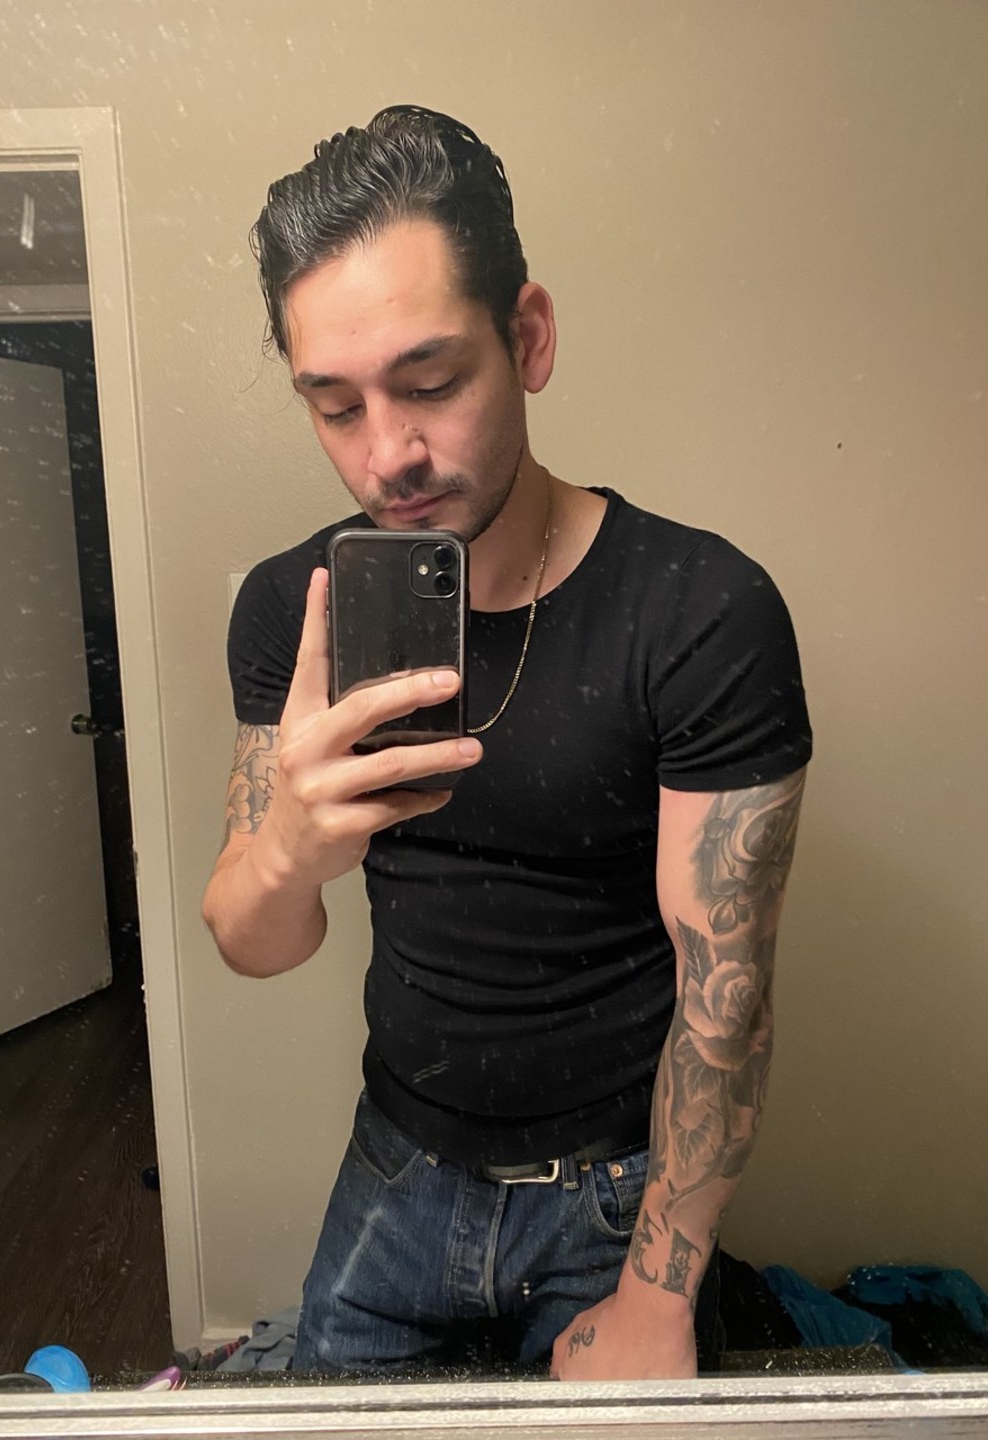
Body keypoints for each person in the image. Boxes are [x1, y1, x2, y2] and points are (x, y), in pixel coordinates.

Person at [202, 105, 812, 1382]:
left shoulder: (701, 613)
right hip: (395, 1167)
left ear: (527, 337)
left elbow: (727, 999)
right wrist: (290, 846)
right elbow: (257, 942)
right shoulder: (293, 614)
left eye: (431, 384)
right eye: (335, 406)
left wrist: (659, 1299)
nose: (390, 454)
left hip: (619, 1202)